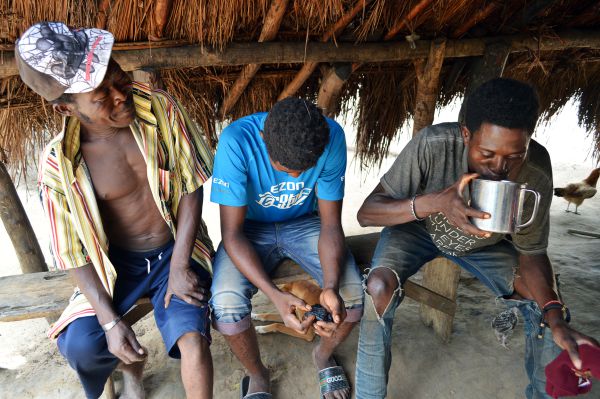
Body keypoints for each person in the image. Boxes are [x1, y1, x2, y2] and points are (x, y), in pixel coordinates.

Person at [354, 78, 600, 399]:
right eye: (487, 153)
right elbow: (368, 212)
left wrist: (554, 315)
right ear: (466, 134)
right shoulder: (433, 145)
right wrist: (434, 203)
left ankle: (543, 394)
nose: (499, 167)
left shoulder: (535, 172)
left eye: (515, 155)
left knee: (547, 306)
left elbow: (532, 252)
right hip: (417, 232)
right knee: (378, 288)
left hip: (488, 245)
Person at [16, 22, 215, 399]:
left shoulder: (159, 108)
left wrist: (179, 266)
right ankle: (131, 368)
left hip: (177, 248)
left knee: (192, 335)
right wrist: (109, 322)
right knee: (82, 346)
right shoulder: (59, 164)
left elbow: (191, 186)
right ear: (66, 108)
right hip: (115, 266)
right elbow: (73, 252)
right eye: (101, 96)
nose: (119, 96)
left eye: (117, 77)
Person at [209, 97, 364, 399]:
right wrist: (274, 295)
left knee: (352, 295)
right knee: (225, 302)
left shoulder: (330, 137)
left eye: (302, 169)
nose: (295, 176)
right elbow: (231, 234)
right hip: (249, 229)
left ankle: (322, 356)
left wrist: (330, 286)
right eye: (284, 168)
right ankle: (258, 374)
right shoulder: (236, 141)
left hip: (304, 223)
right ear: (264, 140)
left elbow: (331, 225)